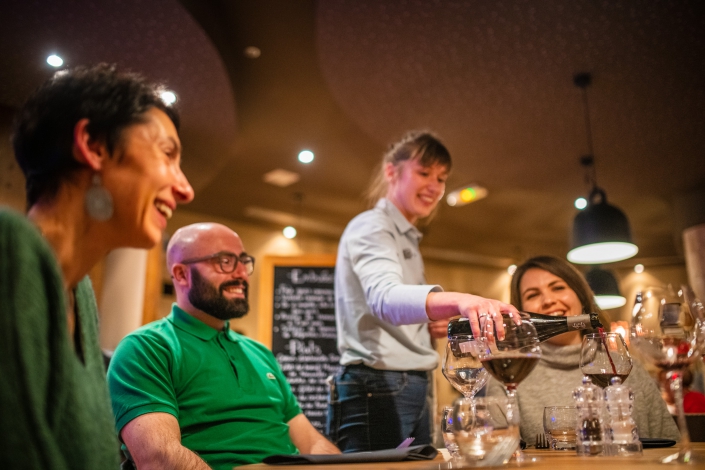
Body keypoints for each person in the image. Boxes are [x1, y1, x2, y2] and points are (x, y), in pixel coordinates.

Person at [0, 64, 194, 468]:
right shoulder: (8, 248)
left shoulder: (80, 293)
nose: (185, 188)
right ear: (92, 145)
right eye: (167, 154)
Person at [328, 131, 520, 452]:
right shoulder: (373, 226)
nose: (435, 186)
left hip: (408, 382)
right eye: (424, 172)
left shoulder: (406, 237)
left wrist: (429, 324)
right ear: (392, 171)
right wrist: (462, 300)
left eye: (442, 177)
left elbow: (397, 309)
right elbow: (386, 300)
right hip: (378, 383)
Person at [107, 223, 340, 470]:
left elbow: (311, 441)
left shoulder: (260, 353)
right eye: (224, 262)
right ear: (181, 274)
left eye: (243, 261)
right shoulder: (146, 348)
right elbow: (159, 458)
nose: (241, 273)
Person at [485, 255, 680, 445]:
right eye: (533, 295)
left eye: (558, 288)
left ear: (582, 297)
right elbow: (501, 456)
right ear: (521, 314)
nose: (548, 300)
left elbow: (672, 445)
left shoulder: (628, 369)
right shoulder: (507, 377)